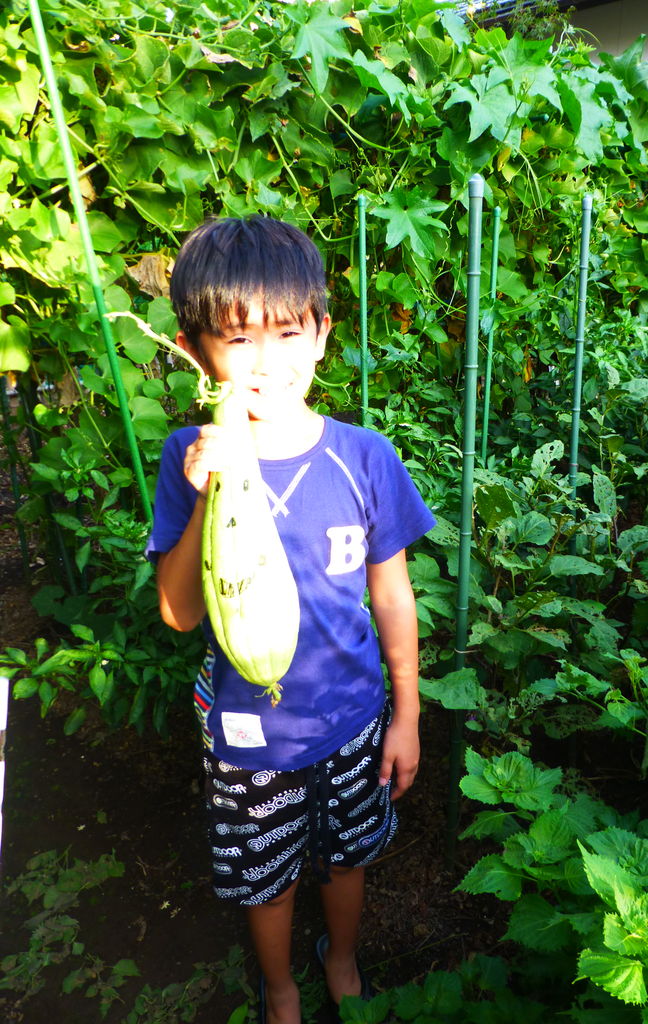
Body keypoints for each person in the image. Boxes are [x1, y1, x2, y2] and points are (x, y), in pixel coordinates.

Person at [146, 215, 435, 1024]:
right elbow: (175, 613)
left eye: (285, 331)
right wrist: (209, 491)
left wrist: (405, 713)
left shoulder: (364, 455)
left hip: (351, 721)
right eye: (238, 339)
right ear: (197, 347)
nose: (266, 361)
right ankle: (280, 991)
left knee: (347, 861)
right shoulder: (187, 457)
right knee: (265, 877)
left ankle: (339, 958)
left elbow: (392, 595)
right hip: (247, 737)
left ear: (321, 334)